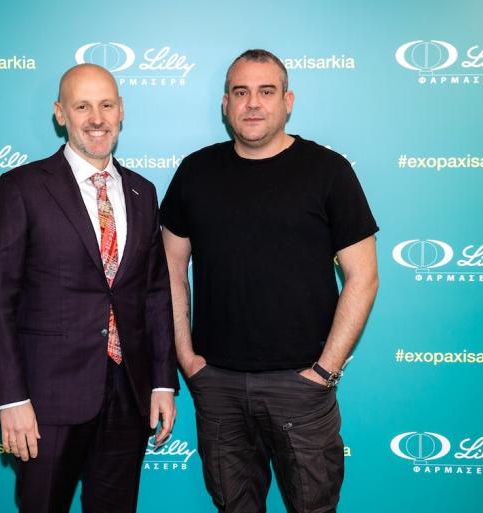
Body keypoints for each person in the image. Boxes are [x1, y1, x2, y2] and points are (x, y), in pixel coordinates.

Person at [160, 49, 379, 513]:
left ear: (287, 101)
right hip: (217, 384)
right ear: (225, 104)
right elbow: (171, 270)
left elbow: (364, 276)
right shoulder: (196, 172)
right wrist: (187, 359)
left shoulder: (328, 171)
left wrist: (323, 372)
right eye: (241, 92)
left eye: (266, 91)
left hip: (301, 387)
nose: (253, 103)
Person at [0, 63, 178, 513]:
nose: (97, 118)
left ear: (121, 110)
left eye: (106, 105)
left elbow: (154, 295)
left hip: (128, 394)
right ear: (60, 113)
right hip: (45, 399)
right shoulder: (22, 188)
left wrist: (163, 384)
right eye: (82, 106)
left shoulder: (142, 192)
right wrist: (11, 398)